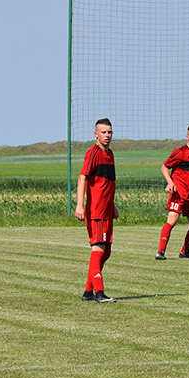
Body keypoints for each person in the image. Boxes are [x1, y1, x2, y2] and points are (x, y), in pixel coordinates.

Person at [75, 118, 118, 303]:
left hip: (107, 210)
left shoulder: (110, 154)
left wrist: (113, 205)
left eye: (109, 132)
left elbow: (107, 183)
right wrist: (80, 205)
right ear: (96, 134)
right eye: (104, 132)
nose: (107, 135)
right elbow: (82, 178)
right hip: (96, 211)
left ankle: (87, 292)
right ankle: (99, 293)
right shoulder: (93, 153)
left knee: (106, 251)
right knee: (98, 249)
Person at [156, 125, 189, 260]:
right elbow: (164, 167)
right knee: (172, 220)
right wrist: (170, 182)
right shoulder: (180, 152)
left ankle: (184, 252)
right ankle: (161, 252)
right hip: (178, 192)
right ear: (187, 137)